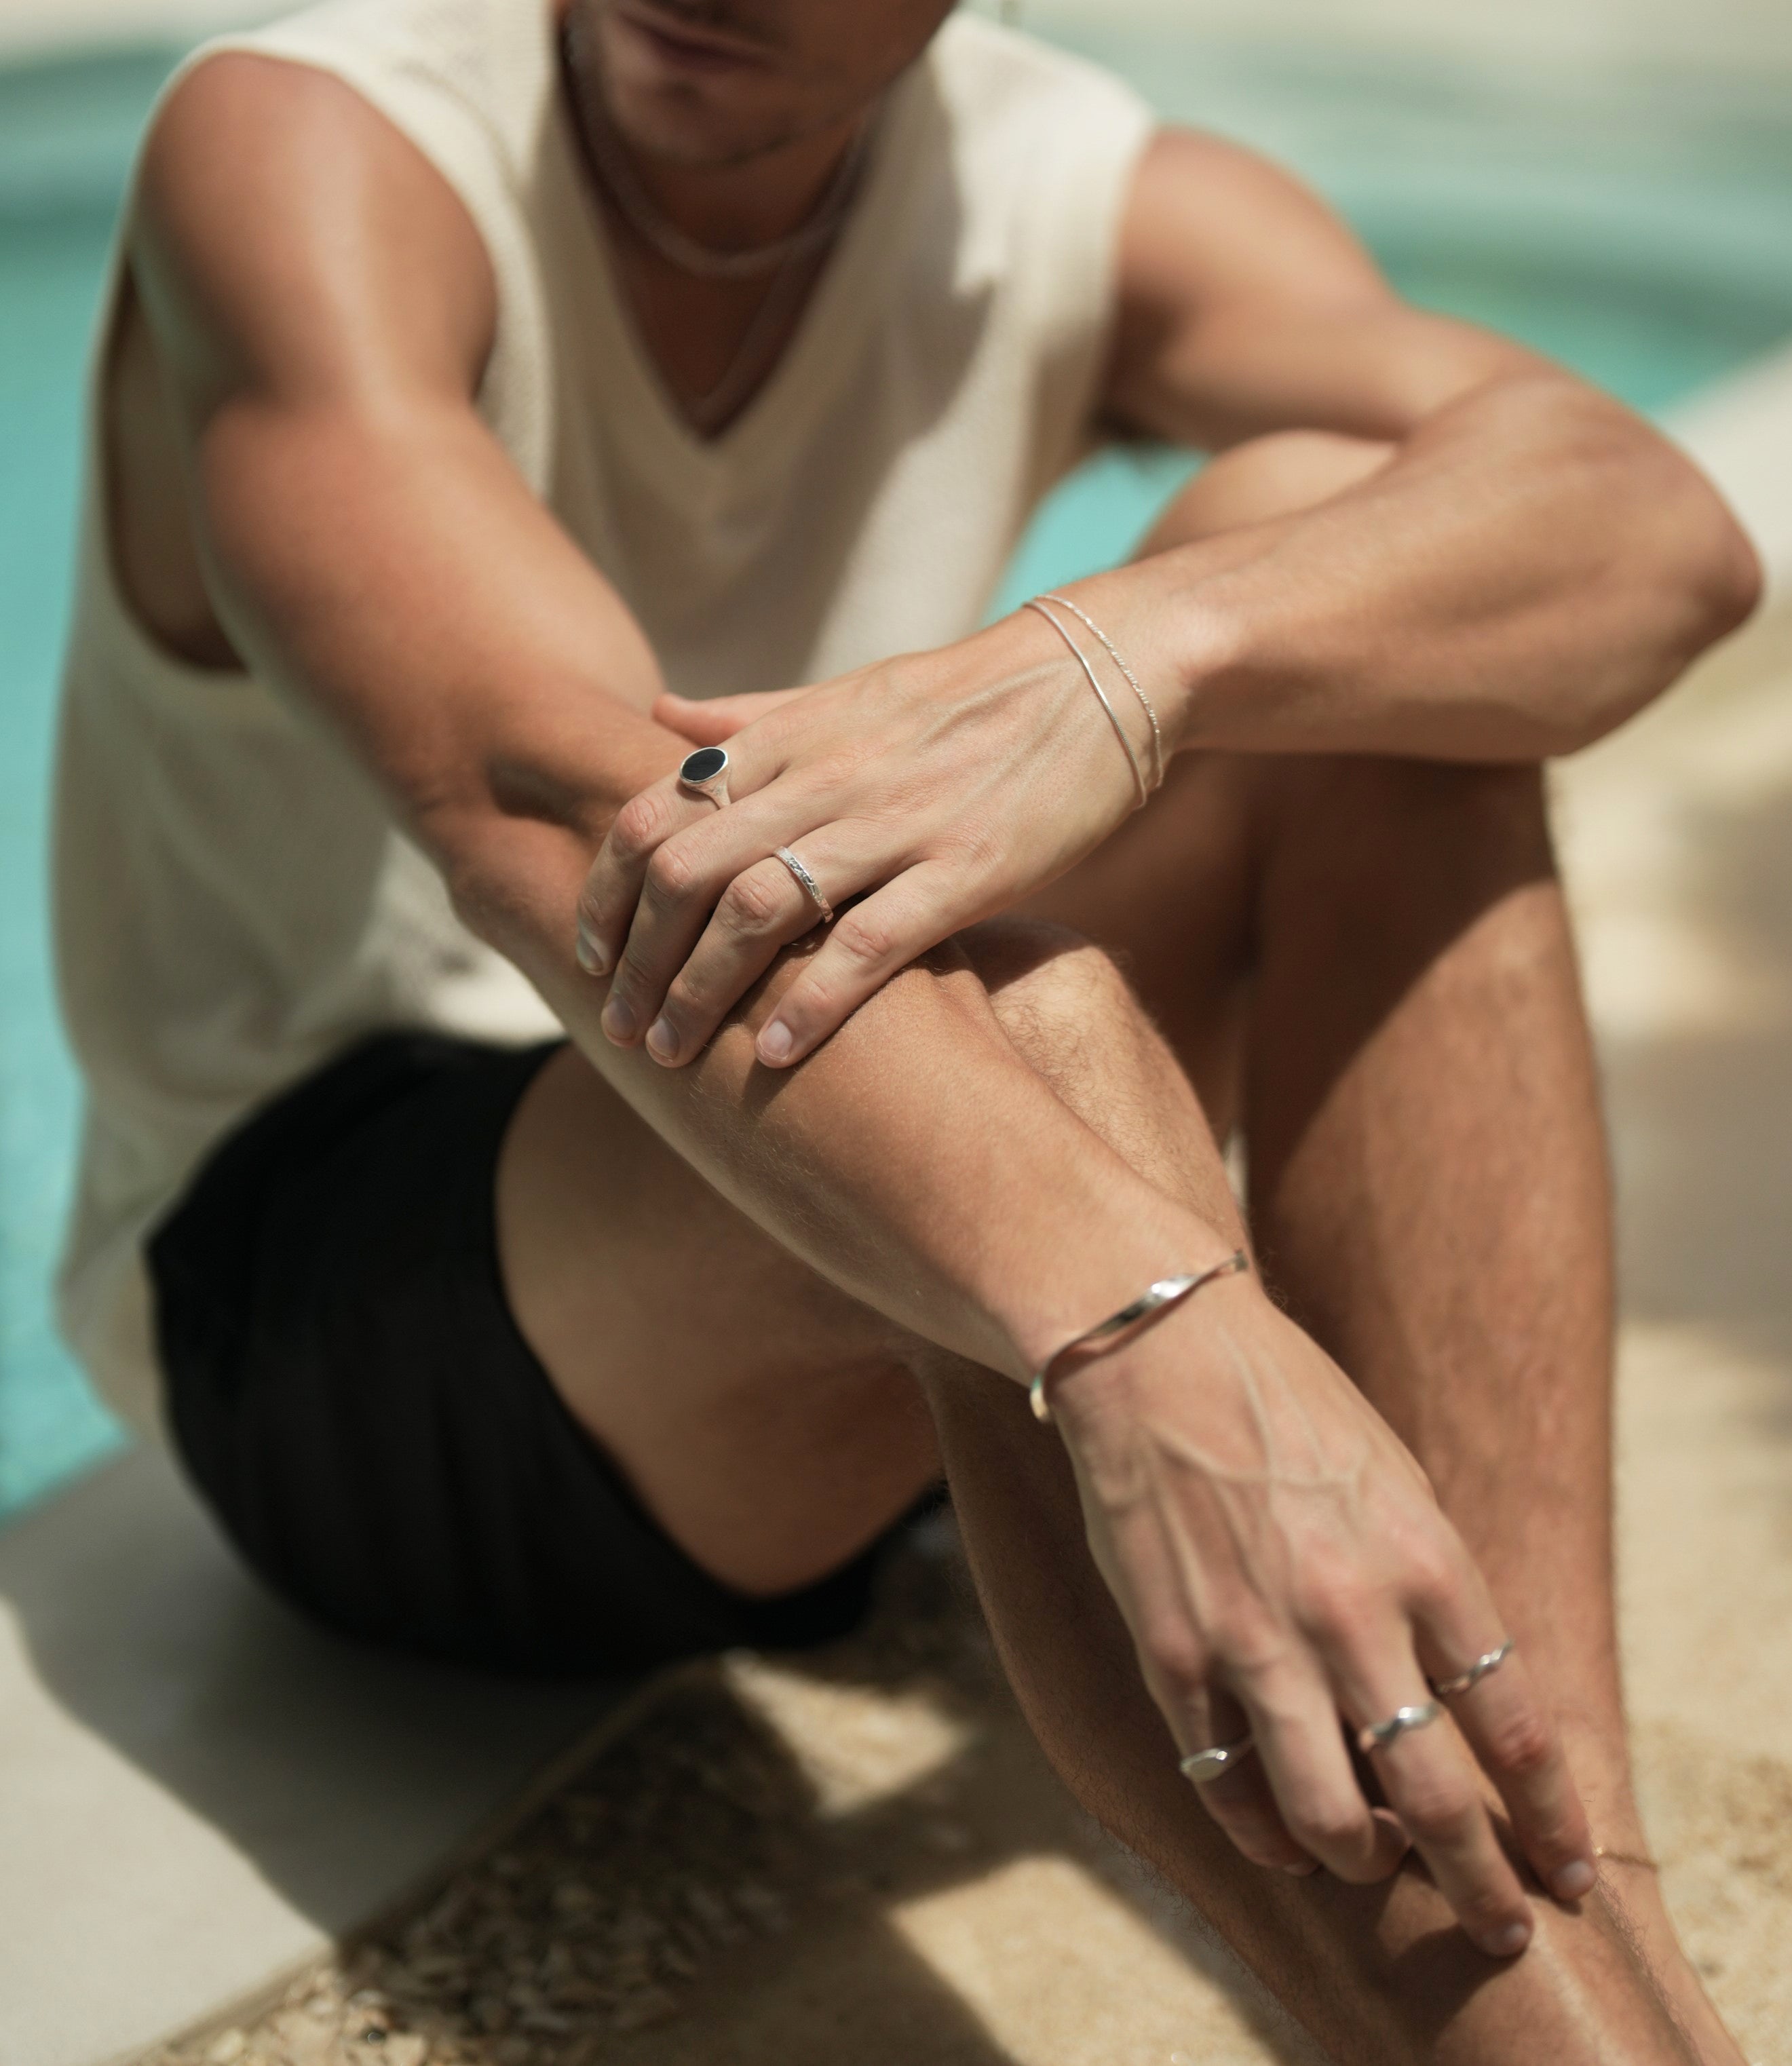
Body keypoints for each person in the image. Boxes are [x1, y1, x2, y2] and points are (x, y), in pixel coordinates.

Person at [54, 0, 1760, 2056]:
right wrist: (1161, 1330)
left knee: (1358, 573)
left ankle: (1577, 1889)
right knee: (1020, 1013)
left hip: (822, 1154)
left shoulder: (1072, 192)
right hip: (339, 1292)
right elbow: (547, 809)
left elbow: (1646, 530)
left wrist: (1118, 662)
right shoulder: (323, 144)